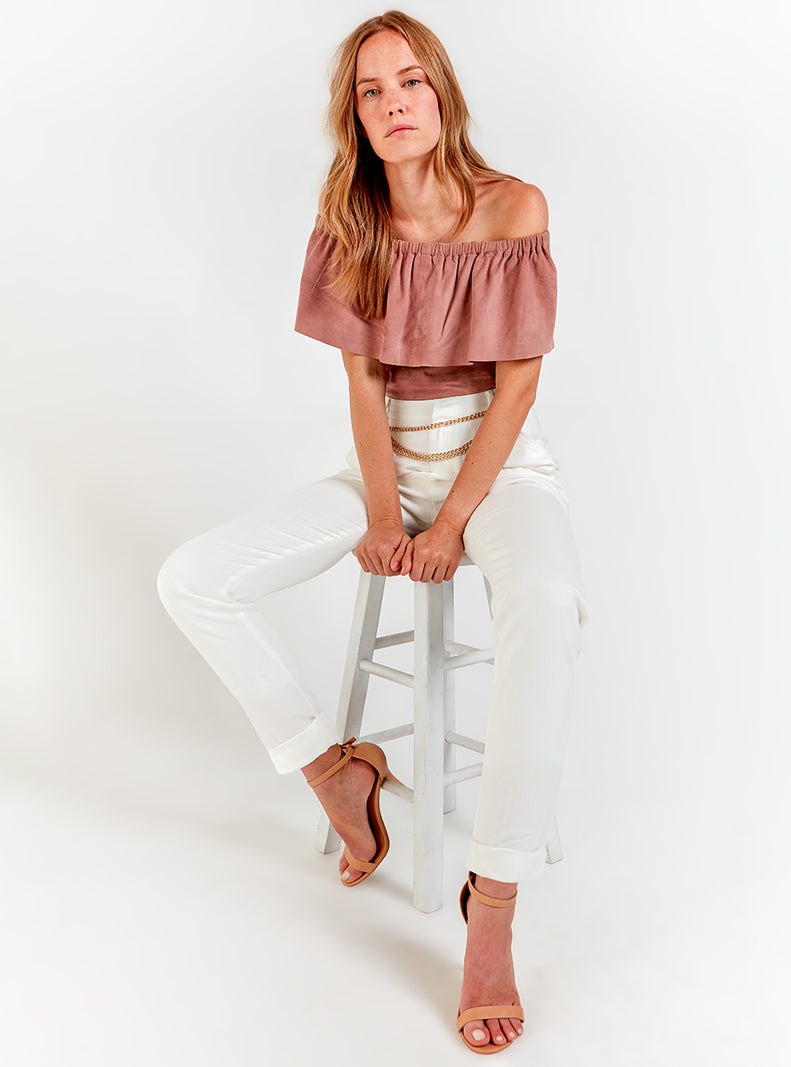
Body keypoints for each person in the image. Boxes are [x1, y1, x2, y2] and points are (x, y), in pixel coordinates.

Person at [157, 9, 589, 1055]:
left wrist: (450, 522)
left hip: (497, 472)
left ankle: (493, 901)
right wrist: (388, 512)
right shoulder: (348, 224)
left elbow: (516, 393)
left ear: (442, 91)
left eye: (410, 81)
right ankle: (332, 770)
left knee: (548, 603)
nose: (394, 103)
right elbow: (363, 388)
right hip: (386, 466)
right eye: (371, 90)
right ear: (352, 115)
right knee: (193, 576)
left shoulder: (513, 207)